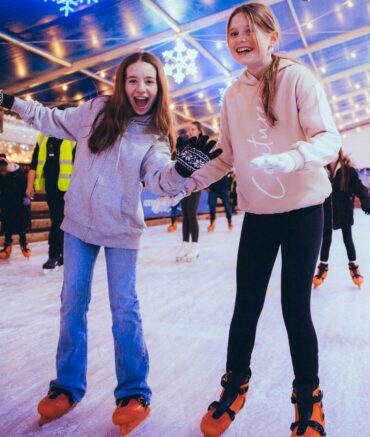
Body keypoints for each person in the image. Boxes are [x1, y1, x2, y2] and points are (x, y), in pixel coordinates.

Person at [0, 52, 221, 435]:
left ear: (158, 87)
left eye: (149, 81)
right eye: (133, 80)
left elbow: (159, 181)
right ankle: (67, 387)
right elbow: (51, 120)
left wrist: (181, 170)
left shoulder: (155, 134)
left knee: (125, 309)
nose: (141, 88)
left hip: (121, 229)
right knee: (72, 304)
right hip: (78, 226)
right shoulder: (96, 111)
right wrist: (10, 102)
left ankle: (134, 391)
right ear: (122, 83)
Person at [182, 3, 341, 436]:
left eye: (250, 30)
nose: (240, 39)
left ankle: (308, 395)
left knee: (294, 305)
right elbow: (227, 156)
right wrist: (184, 182)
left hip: (305, 209)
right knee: (246, 302)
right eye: (233, 33)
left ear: (273, 36)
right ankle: (235, 381)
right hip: (259, 213)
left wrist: (291, 158)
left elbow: (329, 139)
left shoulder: (296, 79)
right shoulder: (232, 94)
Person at [313, 149, 370, 288]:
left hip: (344, 212)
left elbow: (359, 187)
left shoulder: (347, 170)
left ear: (339, 153)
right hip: (326, 213)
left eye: (334, 152)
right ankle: (322, 267)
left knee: (348, 239)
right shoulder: (320, 170)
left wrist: (365, 199)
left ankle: (354, 266)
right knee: (326, 240)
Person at [26, 131, 76, 270]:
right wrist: (30, 185)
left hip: (67, 188)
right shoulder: (43, 137)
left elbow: (80, 165)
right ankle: (63, 255)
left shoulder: (72, 135)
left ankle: (54, 255)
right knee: (57, 219)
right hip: (50, 187)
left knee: (58, 219)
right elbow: (34, 163)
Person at [176, 121, 204, 262]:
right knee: (185, 213)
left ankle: (195, 245)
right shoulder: (186, 145)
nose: (190, 132)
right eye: (188, 129)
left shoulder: (202, 146)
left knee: (192, 213)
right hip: (184, 184)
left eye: (193, 129)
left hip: (196, 184)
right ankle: (185, 244)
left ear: (199, 131)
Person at [0, 155, 31, 259]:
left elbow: (26, 185)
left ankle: (24, 245)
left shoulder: (18, 174)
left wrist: (27, 196)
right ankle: (7, 247)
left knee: (21, 227)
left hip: (19, 206)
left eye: (3, 166)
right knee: (8, 227)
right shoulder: (3, 178)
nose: (2, 169)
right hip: (7, 207)